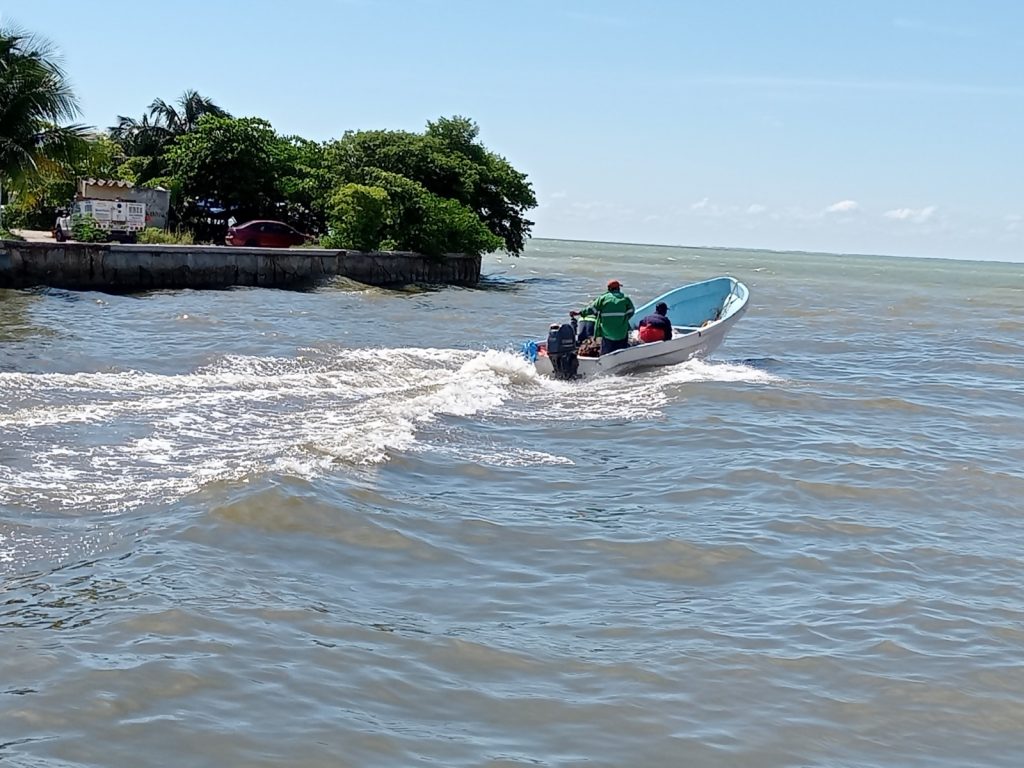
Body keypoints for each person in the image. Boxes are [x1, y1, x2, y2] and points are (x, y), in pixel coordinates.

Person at [572, 280, 635, 355]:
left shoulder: (602, 299)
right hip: (621, 333)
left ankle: (604, 357)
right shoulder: (625, 298)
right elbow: (631, 311)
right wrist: (624, 319)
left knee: (605, 346)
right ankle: (622, 355)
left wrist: (579, 313)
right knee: (623, 343)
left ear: (609, 289)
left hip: (607, 333)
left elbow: (591, 309)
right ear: (618, 288)